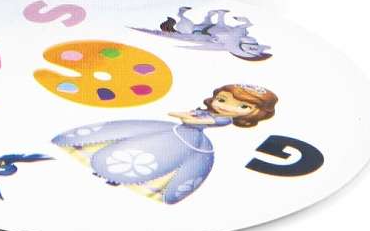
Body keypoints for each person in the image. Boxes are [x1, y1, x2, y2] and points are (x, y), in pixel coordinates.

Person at [52, 83, 279, 204]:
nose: (226, 107)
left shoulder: (222, 119)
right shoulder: (207, 112)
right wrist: (187, 116)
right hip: (173, 131)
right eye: (222, 100)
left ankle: (117, 177)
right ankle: (105, 169)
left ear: (253, 112)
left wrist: (189, 117)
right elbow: (184, 115)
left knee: (158, 159)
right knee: (132, 142)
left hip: (188, 140)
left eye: (242, 107)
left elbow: (192, 119)